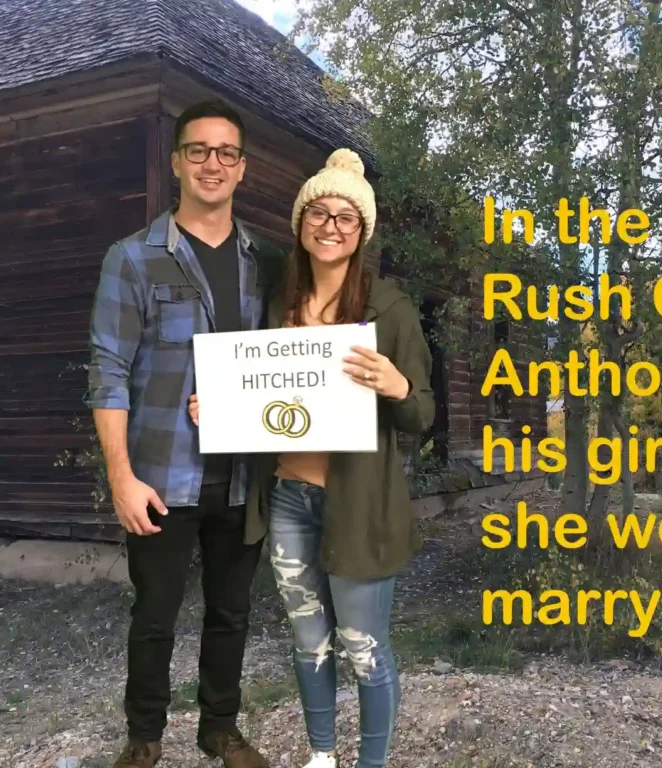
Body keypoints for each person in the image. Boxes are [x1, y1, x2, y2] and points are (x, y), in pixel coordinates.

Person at [188, 147, 435, 768]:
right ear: (301, 225)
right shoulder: (279, 304)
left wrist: (396, 385)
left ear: (362, 231)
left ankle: (370, 763)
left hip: (359, 506)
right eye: (317, 214)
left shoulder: (390, 309)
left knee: (364, 647)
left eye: (345, 217)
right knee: (309, 642)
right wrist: (218, 407)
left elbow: (424, 416)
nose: (330, 226)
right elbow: (264, 399)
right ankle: (321, 756)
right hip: (290, 500)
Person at [87, 99, 279, 768]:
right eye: (198, 150)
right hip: (162, 478)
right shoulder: (134, 259)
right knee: (155, 618)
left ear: (243, 167)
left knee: (231, 614)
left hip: (242, 477)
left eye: (226, 152)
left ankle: (218, 729)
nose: (212, 164)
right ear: (177, 162)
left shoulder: (265, 263)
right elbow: (109, 370)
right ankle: (144, 738)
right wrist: (121, 476)